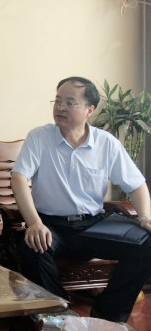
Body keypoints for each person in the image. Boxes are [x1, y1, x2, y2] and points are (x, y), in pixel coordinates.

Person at [11, 76, 151, 323]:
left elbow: (137, 184)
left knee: (147, 242)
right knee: (33, 248)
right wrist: (34, 222)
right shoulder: (40, 137)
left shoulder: (106, 143)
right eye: (57, 101)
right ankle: (60, 317)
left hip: (94, 226)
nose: (60, 107)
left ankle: (108, 315)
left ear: (89, 110)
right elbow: (19, 178)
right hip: (51, 226)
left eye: (69, 102)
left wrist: (145, 218)